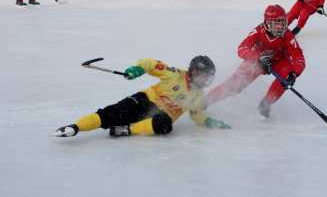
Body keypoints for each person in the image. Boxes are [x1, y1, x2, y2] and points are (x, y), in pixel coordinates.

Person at [55, 56, 230, 138]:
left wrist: (209, 122)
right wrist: (137, 70)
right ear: (193, 71)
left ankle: (126, 130)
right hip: (145, 101)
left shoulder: (198, 96)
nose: (205, 79)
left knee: (165, 125)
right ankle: (75, 127)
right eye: (203, 75)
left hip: (157, 117)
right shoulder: (174, 74)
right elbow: (150, 63)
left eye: (208, 76)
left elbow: (196, 115)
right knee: (111, 113)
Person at [205, 5, 305, 118]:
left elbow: (298, 56)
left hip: (278, 61)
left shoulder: (287, 35)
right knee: (235, 85)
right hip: (258, 61)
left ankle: (266, 103)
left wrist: (295, 73)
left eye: (282, 22)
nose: (280, 26)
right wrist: (257, 58)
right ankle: (207, 100)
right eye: (276, 23)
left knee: (286, 75)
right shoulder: (258, 31)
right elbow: (242, 48)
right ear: (267, 23)